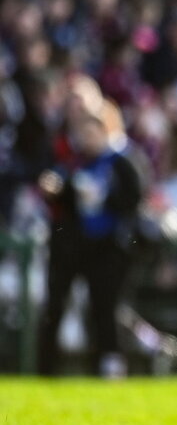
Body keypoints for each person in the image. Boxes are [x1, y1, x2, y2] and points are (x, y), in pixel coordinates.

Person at [37, 112, 144, 377]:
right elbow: (58, 195)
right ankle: (46, 367)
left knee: (106, 308)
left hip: (109, 248)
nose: (88, 140)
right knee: (57, 305)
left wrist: (107, 199)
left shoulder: (121, 162)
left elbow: (134, 198)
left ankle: (109, 366)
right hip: (76, 247)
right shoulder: (73, 165)